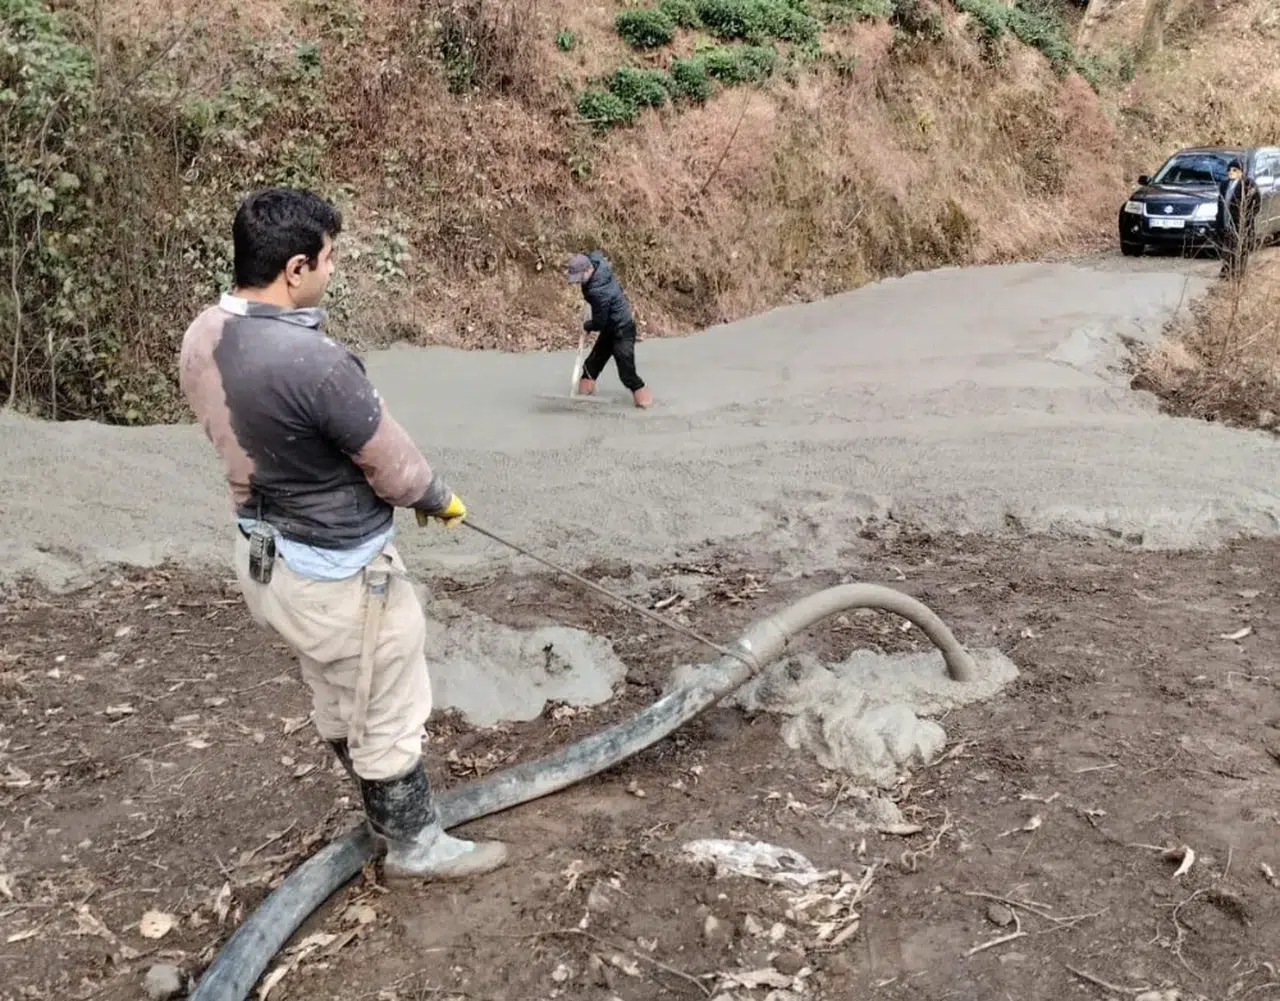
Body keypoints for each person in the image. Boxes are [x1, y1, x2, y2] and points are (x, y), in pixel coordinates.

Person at [178, 187, 507, 882]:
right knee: (386, 695)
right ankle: (414, 843)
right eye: (329, 258)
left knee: (335, 686)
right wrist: (437, 498)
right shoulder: (317, 364)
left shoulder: (202, 335)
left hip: (264, 559)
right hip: (338, 574)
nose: (334, 268)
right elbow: (392, 462)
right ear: (295, 268)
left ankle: (378, 811)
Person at [566, 251, 653, 409]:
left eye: (579, 278)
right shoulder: (596, 264)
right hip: (609, 328)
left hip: (622, 330)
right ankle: (582, 404)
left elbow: (599, 322)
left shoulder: (599, 291)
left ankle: (645, 404)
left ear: (588, 270)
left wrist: (587, 326)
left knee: (627, 375)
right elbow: (593, 253)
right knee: (590, 367)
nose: (578, 282)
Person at [1217, 158, 1257, 279]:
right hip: (1226, 221)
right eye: (1229, 170)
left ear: (1241, 172)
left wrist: (1247, 217)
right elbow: (1220, 203)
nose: (1231, 172)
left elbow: (1256, 203)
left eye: (1234, 170)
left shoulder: (1248, 184)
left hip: (1241, 223)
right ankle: (1227, 271)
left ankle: (1238, 274)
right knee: (1228, 248)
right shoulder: (1224, 185)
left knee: (1240, 248)